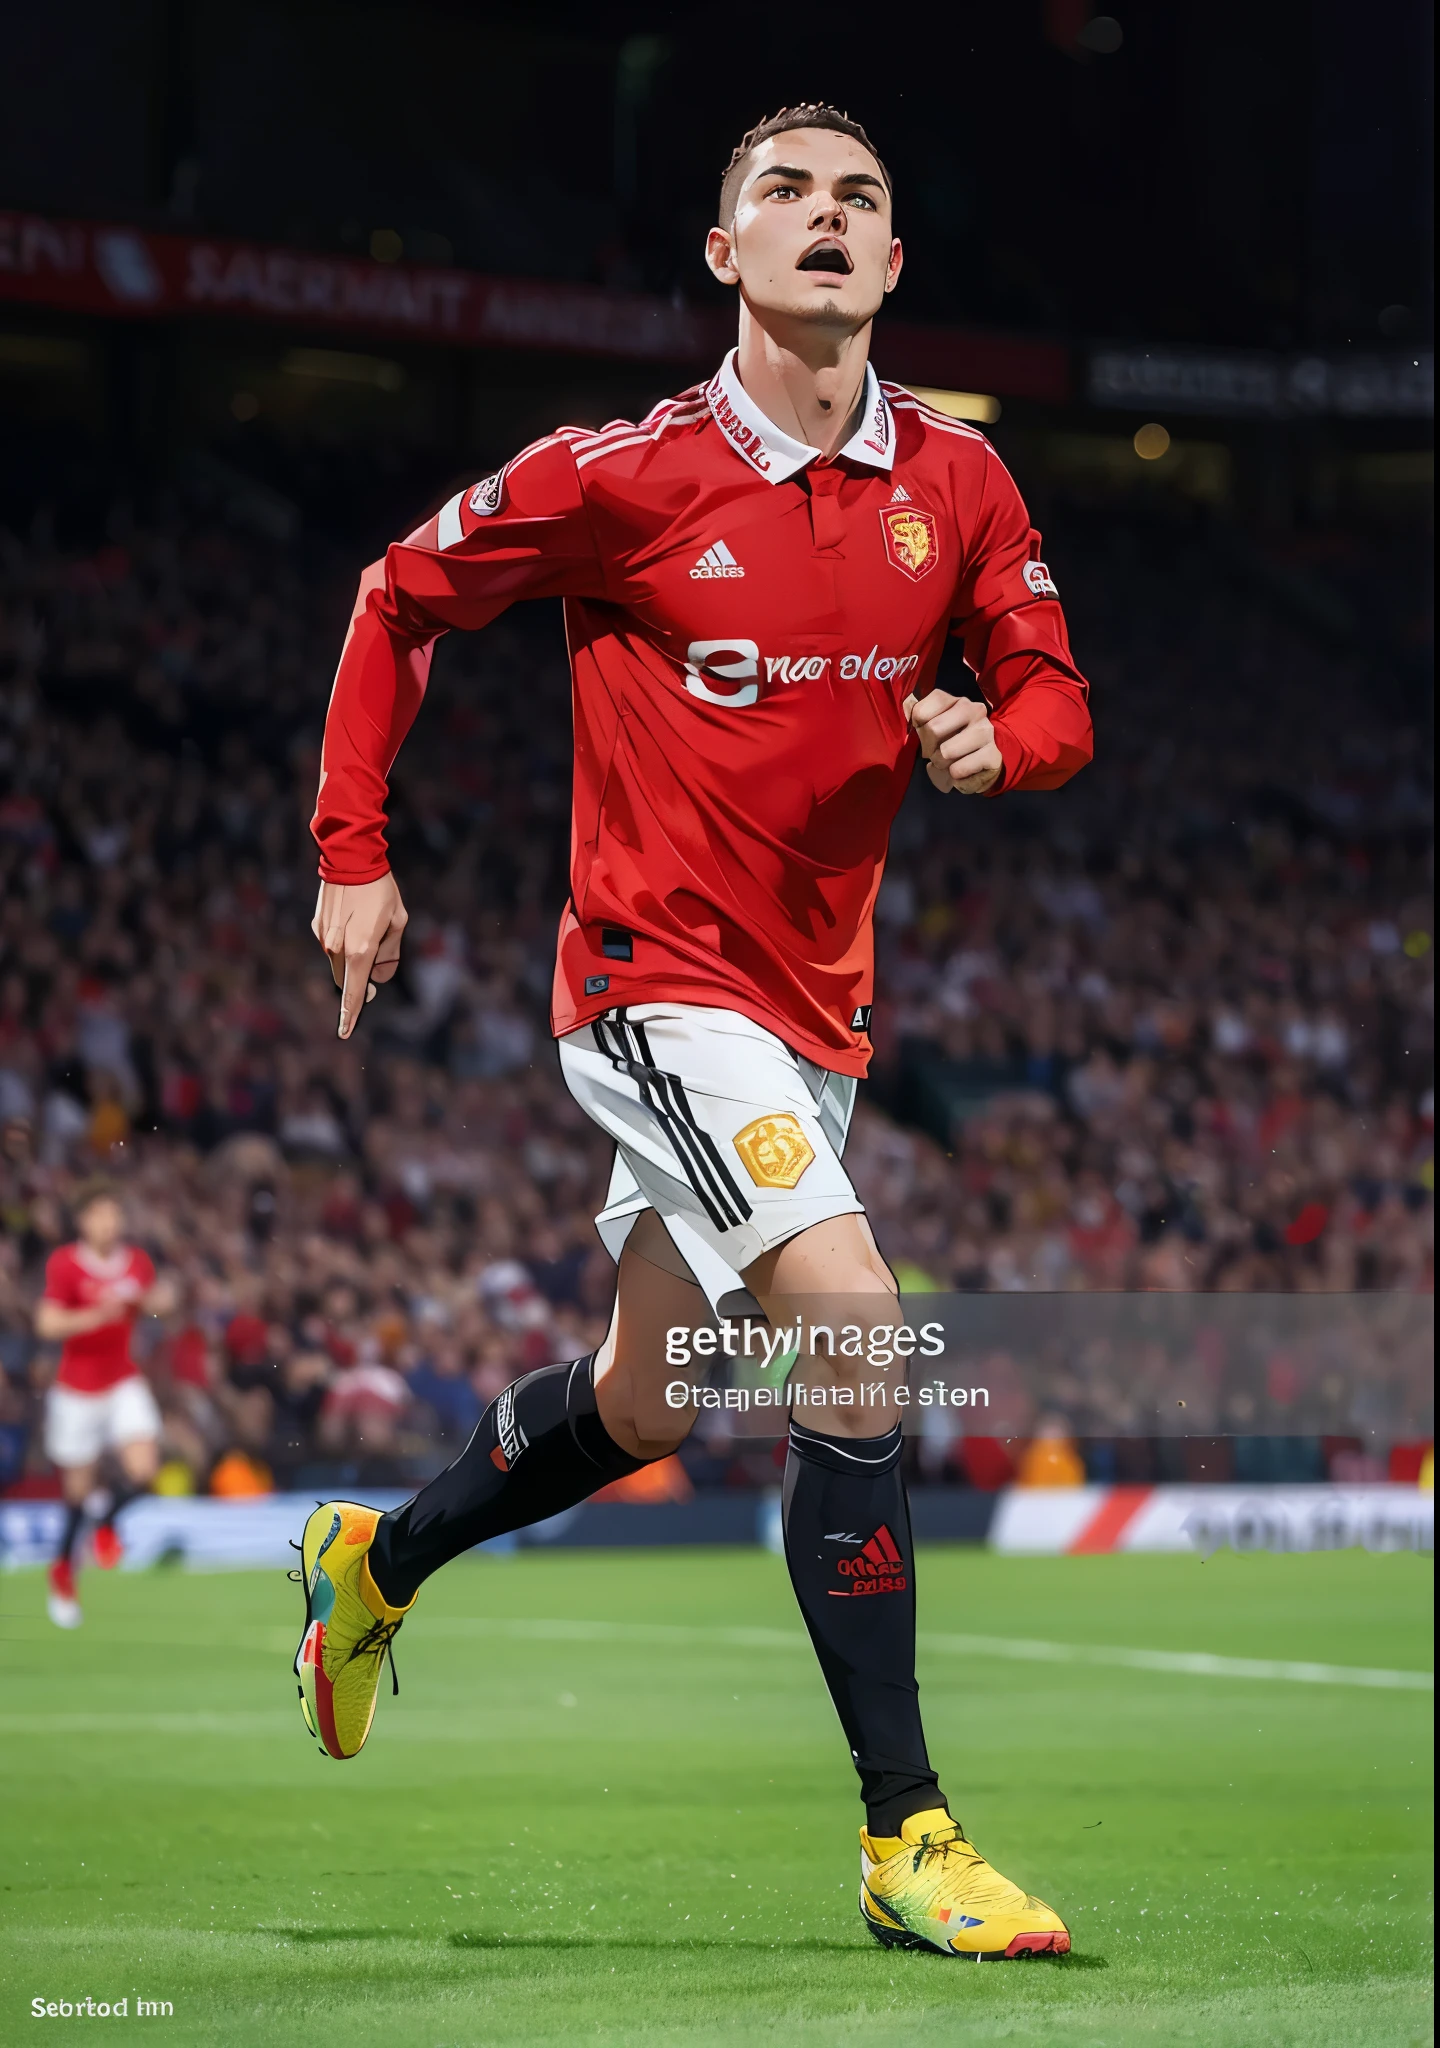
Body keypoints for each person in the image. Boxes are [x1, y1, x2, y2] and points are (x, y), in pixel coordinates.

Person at [296, 104, 1090, 1960]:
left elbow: (1052, 685)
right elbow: (395, 592)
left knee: (647, 1397)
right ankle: (911, 1831)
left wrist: (1004, 736)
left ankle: (376, 1558)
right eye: (787, 196)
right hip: (651, 982)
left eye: (862, 200)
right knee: (854, 1320)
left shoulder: (960, 490)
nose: (828, 219)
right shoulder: (621, 475)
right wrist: (354, 845)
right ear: (724, 253)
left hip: (817, 1013)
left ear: (895, 267)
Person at [35, 1182, 171, 1627]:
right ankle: (62, 1572)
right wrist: (97, 1315)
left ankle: (107, 1521)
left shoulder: (136, 1262)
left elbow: (156, 1303)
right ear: (83, 1221)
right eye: (100, 1215)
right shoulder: (66, 1265)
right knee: (76, 1495)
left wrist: (157, 1302)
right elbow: (47, 1323)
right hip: (76, 1388)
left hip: (121, 1381)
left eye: (114, 1214)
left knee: (145, 1469)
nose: (109, 1223)